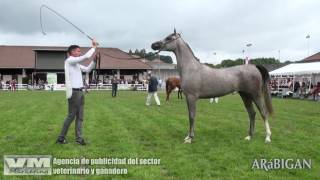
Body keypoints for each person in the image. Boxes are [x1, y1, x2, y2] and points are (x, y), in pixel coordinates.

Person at [56, 39, 99, 145]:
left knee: (80, 117)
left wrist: (94, 61)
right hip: (74, 93)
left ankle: (79, 138)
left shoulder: (76, 65)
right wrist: (93, 47)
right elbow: (85, 57)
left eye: (80, 51)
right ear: (72, 52)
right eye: (78, 51)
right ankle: (61, 138)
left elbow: (88, 69)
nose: (80, 53)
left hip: (80, 91)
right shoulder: (69, 61)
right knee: (71, 116)